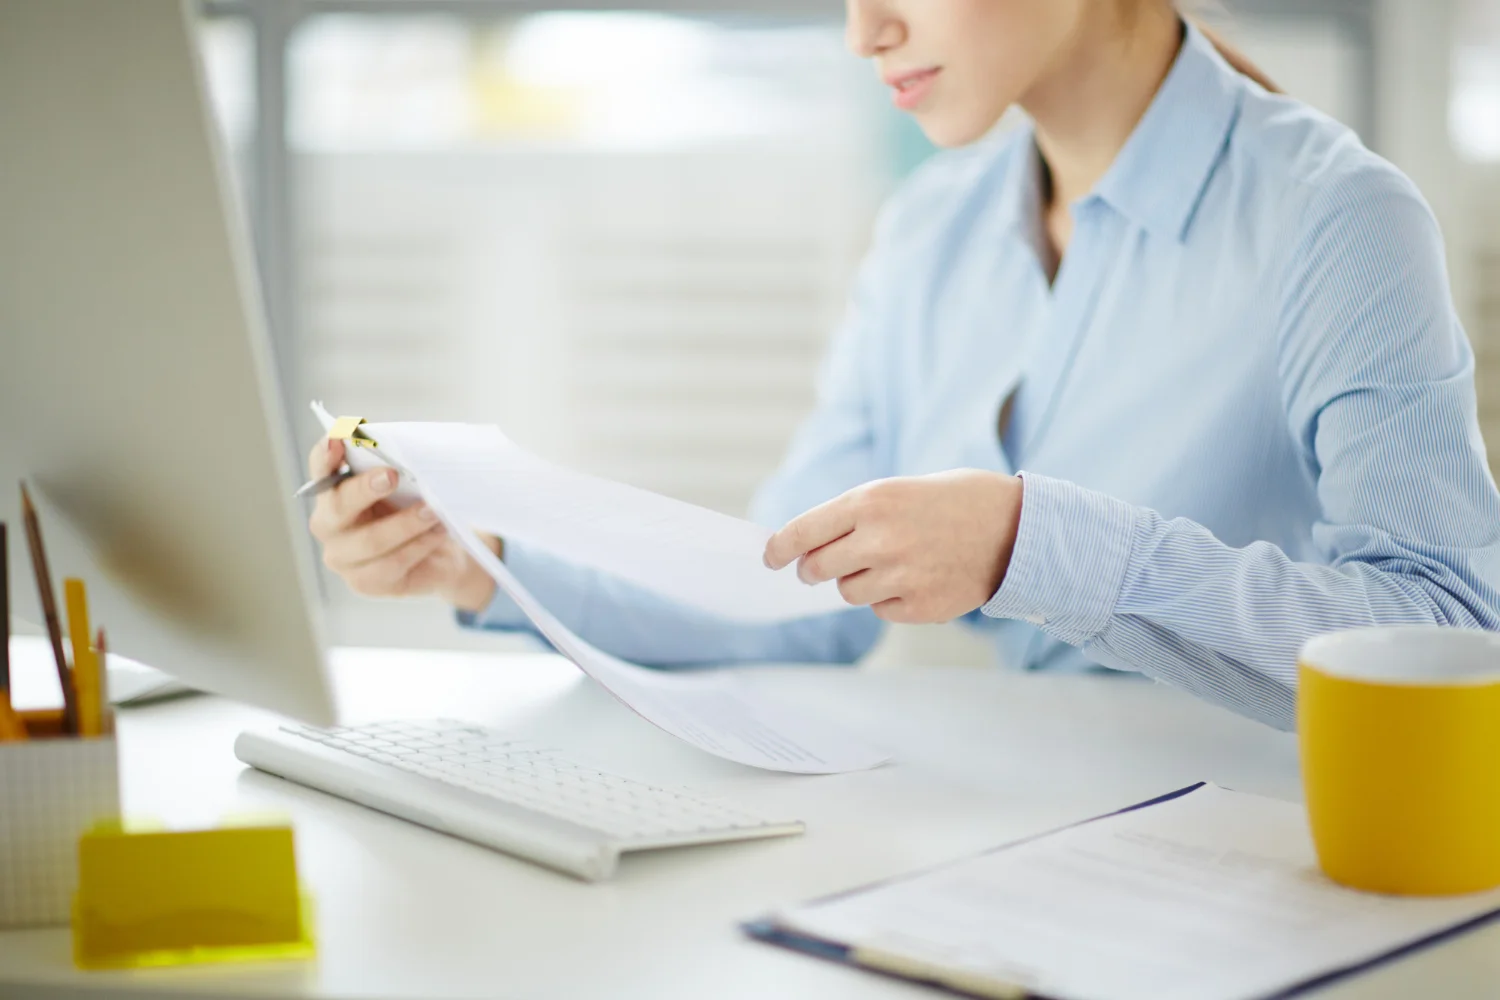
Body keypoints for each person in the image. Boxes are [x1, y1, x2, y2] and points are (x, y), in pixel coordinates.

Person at [307, 0, 1500, 732]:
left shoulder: (1338, 222)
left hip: (1258, 881)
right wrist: (485, 565)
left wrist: (1041, 541)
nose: (860, 28)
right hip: (1014, 852)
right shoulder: (933, 230)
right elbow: (789, 591)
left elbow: (1452, 640)